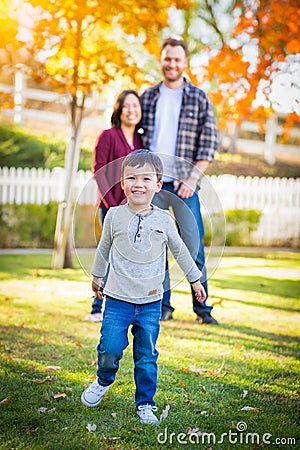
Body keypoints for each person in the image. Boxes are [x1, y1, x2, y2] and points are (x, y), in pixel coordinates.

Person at [81, 150, 206, 424]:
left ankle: (145, 404)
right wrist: (97, 277)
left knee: (146, 356)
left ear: (158, 185)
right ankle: (103, 379)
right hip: (117, 299)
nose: (139, 184)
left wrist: (195, 279)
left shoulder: (163, 219)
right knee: (110, 348)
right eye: (132, 178)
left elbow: (182, 251)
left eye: (146, 179)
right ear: (122, 183)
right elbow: (103, 250)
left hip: (151, 302)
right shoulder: (114, 216)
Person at [140, 38, 219, 324]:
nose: (171, 64)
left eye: (177, 59)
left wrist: (192, 178)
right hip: (154, 186)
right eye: (167, 59)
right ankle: (162, 307)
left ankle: (202, 310)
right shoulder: (147, 97)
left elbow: (208, 144)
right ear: (160, 60)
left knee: (192, 245)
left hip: (186, 185)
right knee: (154, 246)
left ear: (185, 63)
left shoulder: (199, 98)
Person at [85, 90, 143, 322]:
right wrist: (112, 206)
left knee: (128, 258)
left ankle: (123, 307)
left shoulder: (140, 141)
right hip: (110, 206)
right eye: (126, 106)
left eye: (135, 106)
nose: (131, 110)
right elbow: (99, 172)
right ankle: (96, 307)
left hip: (135, 209)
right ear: (118, 109)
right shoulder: (107, 136)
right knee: (106, 255)